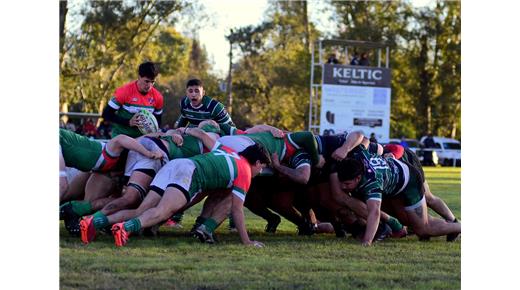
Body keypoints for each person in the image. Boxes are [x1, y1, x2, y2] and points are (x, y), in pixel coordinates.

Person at [110, 129, 271, 247]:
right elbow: (237, 210)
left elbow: (201, 134)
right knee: (162, 211)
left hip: (176, 164)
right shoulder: (245, 172)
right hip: (189, 173)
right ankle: (125, 227)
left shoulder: (228, 151)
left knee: (143, 209)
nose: (261, 171)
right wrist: (247, 241)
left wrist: (183, 130)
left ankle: (96, 221)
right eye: (262, 167)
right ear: (256, 162)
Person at [334, 142, 460, 246]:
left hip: (410, 181)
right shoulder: (358, 155)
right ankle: (450, 225)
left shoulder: (372, 183)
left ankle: (459, 226)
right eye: (341, 183)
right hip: (395, 178)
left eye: (347, 184)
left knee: (423, 229)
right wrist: (345, 147)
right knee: (409, 220)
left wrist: (367, 241)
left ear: (358, 178)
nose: (342, 187)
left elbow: (374, 212)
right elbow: (359, 136)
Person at [102, 61, 164, 138]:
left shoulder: (158, 97)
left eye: (152, 82)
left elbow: (158, 121)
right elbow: (106, 114)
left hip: (143, 140)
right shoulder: (124, 92)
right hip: (121, 137)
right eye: (147, 81)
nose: (149, 85)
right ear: (139, 77)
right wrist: (128, 122)